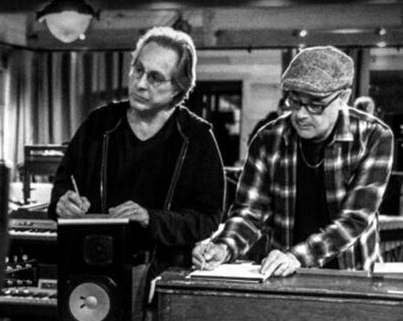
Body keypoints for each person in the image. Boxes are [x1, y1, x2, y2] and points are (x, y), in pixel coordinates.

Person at [193, 46, 394, 276]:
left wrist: (296, 256)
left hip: (351, 276)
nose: (301, 114)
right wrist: (224, 247)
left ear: (343, 98)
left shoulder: (374, 137)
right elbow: (250, 213)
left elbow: (354, 220)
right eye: (295, 101)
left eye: (315, 105)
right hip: (285, 276)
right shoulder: (268, 139)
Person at [48, 26, 225, 273]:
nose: (140, 84)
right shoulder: (98, 124)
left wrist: (151, 219)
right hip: (93, 268)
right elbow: (65, 182)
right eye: (138, 70)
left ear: (178, 87)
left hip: (164, 273)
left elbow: (207, 219)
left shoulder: (197, 138)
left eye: (155, 77)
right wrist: (62, 202)